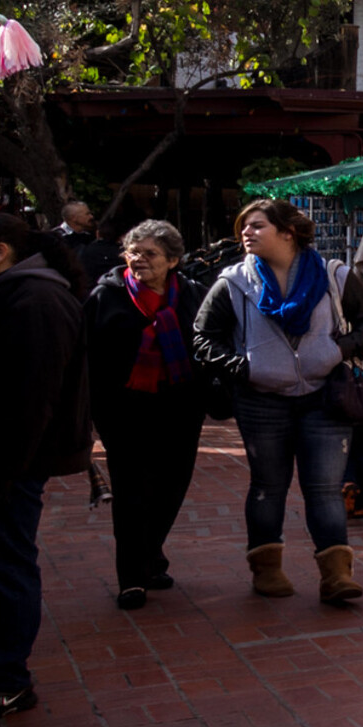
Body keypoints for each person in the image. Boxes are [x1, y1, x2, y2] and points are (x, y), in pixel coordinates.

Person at [193, 199, 363, 605]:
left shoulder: (334, 276)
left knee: (325, 489)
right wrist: (244, 368)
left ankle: (336, 576)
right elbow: (203, 337)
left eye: (257, 226)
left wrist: (337, 351)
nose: (246, 233)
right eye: (243, 226)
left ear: (288, 232)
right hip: (260, 400)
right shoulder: (233, 282)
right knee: (268, 486)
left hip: (325, 397)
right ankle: (267, 569)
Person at [0, 215, 89, 725]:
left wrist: (0, 473)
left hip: (4, 466)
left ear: (0, 251)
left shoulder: (35, 301)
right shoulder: (4, 293)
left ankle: (6, 680)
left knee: (3, 566)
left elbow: (30, 401)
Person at [83, 221, 208, 609]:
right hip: (123, 413)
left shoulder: (193, 295)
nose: (138, 260)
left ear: (173, 260)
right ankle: (132, 577)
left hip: (180, 410)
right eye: (133, 252)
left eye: (149, 253)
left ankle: (150, 554)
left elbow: (211, 343)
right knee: (132, 494)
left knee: (171, 488)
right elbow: (86, 356)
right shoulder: (106, 296)